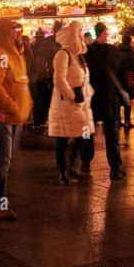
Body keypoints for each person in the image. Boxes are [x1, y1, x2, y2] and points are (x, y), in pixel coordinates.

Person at [0, 20, 33, 219]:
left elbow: (21, 83)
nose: (19, 32)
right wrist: (12, 105)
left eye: (20, 29)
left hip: (16, 116)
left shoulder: (16, 54)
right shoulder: (0, 54)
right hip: (3, 116)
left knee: (3, 158)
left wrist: (27, 104)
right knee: (3, 160)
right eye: (14, 29)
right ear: (4, 33)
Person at [48, 20, 95, 185]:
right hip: (65, 104)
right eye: (79, 33)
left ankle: (71, 162)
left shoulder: (79, 56)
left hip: (80, 104)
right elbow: (59, 80)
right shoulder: (63, 54)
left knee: (84, 134)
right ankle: (62, 169)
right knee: (62, 137)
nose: (82, 36)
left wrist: (87, 95)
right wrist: (73, 95)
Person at [86, 23, 127, 180]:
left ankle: (85, 161)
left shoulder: (89, 52)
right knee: (112, 134)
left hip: (95, 98)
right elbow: (120, 73)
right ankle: (115, 167)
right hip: (109, 99)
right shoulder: (112, 51)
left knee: (89, 132)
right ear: (102, 33)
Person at [30, 28, 52, 129]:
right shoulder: (47, 48)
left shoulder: (33, 48)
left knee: (37, 100)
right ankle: (42, 120)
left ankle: (37, 121)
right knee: (44, 99)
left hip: (36, 77)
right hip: (44, 76)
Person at [118, 34, 134, 128]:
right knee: (128, 100)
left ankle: (118, 121)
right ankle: (127, 121)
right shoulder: (130, 51)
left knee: (118, 100)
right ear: (129, 41)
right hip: (127, 78)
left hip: (118, 78)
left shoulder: (117, 50)